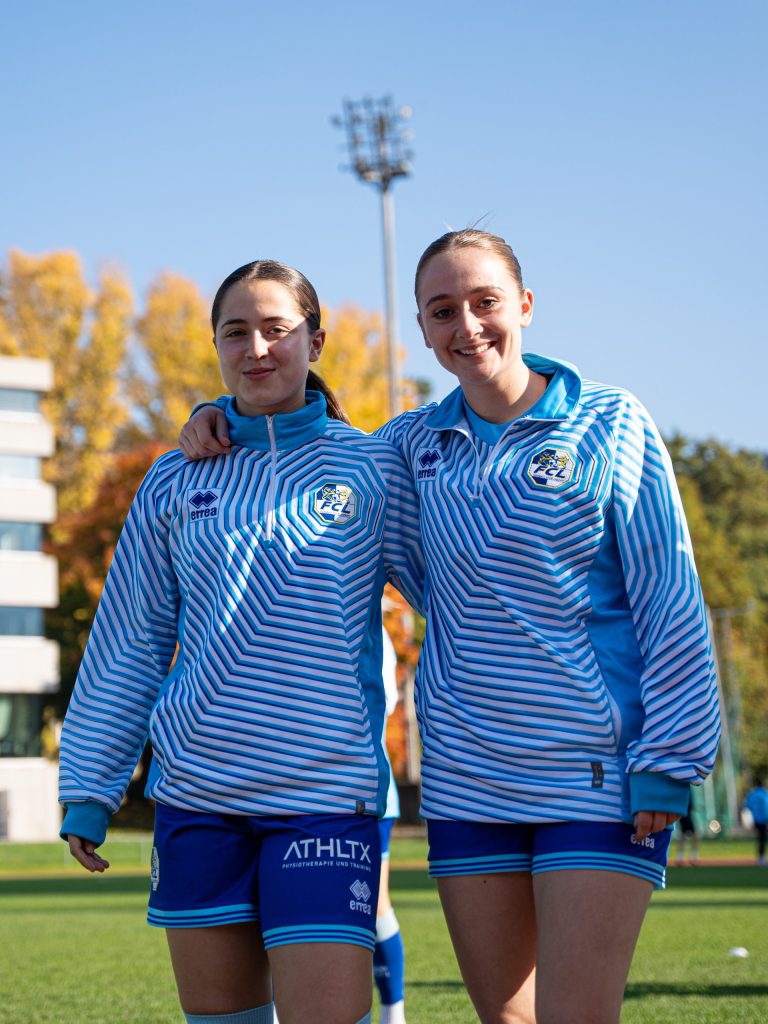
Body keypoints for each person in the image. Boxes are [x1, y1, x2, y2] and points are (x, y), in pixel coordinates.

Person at [179, 229, 720, 1024]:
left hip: (594, 775)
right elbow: (307, 450)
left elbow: (669, 600)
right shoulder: (408, 446)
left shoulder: (610, 422)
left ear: (524, 305)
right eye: (442, 311)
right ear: (424, 329)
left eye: (484, 302)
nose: (466, 326)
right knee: (505, 1018)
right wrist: (218, 416)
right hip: (467, 780)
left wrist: (670, 758)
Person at [58, 259, 424, 1024]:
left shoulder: (373, 468)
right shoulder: (174, 479)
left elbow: (457, 603)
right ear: (217, 345)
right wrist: (91, 788)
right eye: (236, 331)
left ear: (314, 343)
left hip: (327, 798)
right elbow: (130, 642)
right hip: (198, 800)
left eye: (277, 329)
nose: (256, 347)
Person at [373, 628, 407, 1024]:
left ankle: (393, 1014)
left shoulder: (376, 633)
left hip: (370, 795)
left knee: (374, 905)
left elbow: (383, 702)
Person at [743, 775, 768, 865]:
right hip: (764, 820)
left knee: (760, 839)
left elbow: (746, 806)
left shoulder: (753, 794)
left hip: (756, 820)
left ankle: (760, 858)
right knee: (762, 838)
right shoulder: (765, 794)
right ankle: (761, 858)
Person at [674, 794, 700, 866]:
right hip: (686, 814)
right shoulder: (685, 790)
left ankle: (680, 857)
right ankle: (694, 857)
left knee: (683, 835)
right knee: (695, 834)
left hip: (683, 813)